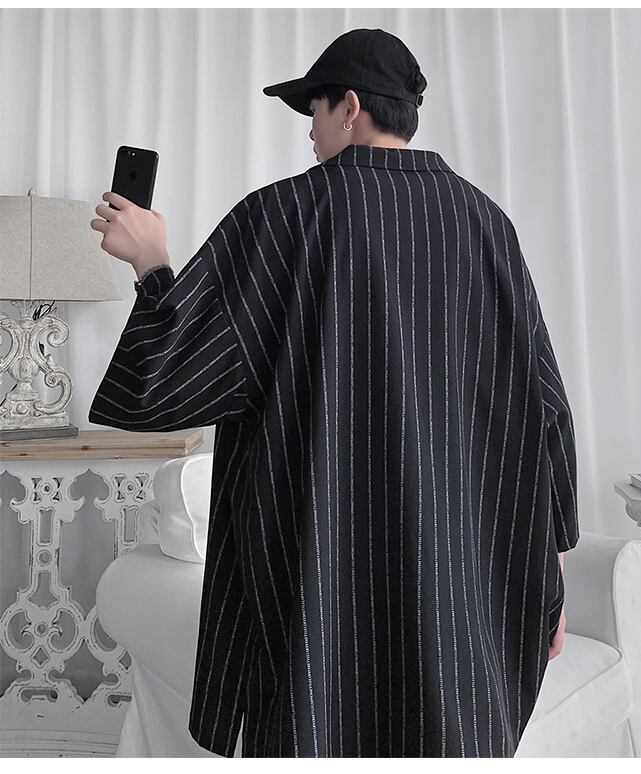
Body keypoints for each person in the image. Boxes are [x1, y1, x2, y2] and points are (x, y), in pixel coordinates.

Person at [89, 27, 578, 758]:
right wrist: (551, 569)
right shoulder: (486, 224)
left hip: (319, 576)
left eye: (313, 112)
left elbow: (166, 385)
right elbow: (545, 408)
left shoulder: (284, 215)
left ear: (350, 107)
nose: (309, 133)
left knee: (318, 725)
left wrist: (153, 266)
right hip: (461, 584)